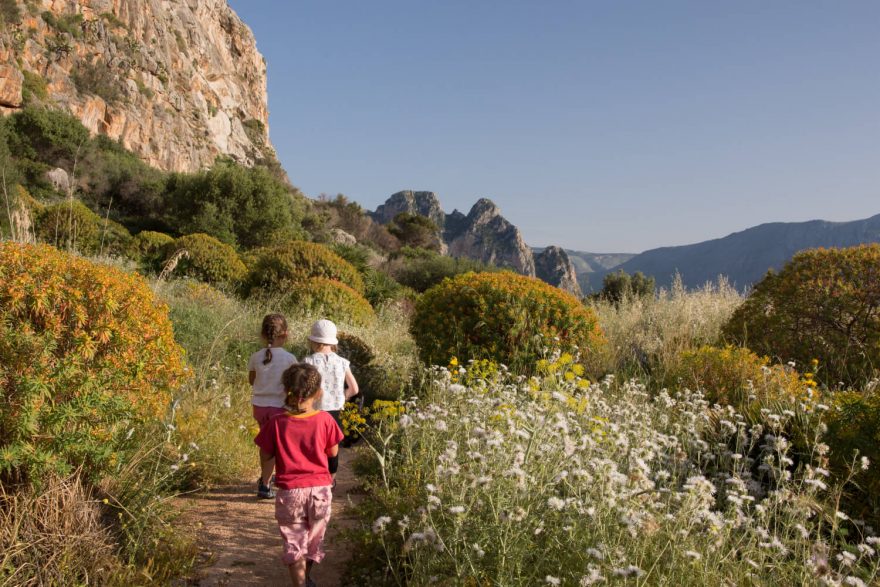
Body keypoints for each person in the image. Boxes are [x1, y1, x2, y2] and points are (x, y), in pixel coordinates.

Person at [255, 364, 343, 587]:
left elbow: (266, 456)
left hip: (291, 493)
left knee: (295, 545)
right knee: (313, 542)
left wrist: (273, 464)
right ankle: (307, 577)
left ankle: (300, 583)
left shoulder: (276, 422)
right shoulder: (325, 420)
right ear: (318, 393)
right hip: (320, 490)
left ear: (285, 391)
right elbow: (333, 452)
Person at [302, 319, 359, 486]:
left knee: (315, 446)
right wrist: (343, 396)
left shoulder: (308, 361)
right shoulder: (342, 362)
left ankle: (314, 477)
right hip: (336, 411)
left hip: (315, 411)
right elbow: (354, 389)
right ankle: (331, 481)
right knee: (332, 449)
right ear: (333, 342)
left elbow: (304, 388)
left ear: (313, 341)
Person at [248, 313, 297, 499]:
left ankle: (265, 481)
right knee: (280, 446)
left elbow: (252, 381)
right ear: (285, 334)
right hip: (280, 408)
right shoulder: (290, 359)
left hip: (259, 407)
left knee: (267, 445)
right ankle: (275, 481)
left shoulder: (255, 357)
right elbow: (294, 384)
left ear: (262, 334)